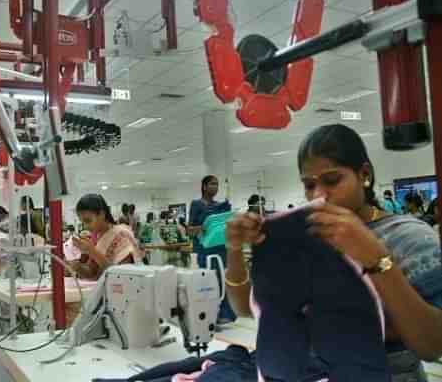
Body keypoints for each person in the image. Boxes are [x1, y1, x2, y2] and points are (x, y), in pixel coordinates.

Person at [225, 124, 442, 379]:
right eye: (309, 184)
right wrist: (235, 250)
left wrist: (376, 259)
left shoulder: (410, 237)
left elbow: (431, 346)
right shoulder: (305, 238)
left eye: (332, 180)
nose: (319, 195)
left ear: (364, 174)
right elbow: (246, 310)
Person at [188, 175, 236, 324]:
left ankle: (225, 314)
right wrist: (202, 228)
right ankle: (210, 314)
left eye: (217, 184)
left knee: (223, 279)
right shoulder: (196, 204)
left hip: (220, 248)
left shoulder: (219, 205)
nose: (215, 187)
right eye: (212, 184)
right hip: (204, 250)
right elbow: (189, 230)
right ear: (204, 186)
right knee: (208, 282)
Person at [70, 194, 144, 280]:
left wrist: (92, 251)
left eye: (88, 221)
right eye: (82, 222)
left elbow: (122, 275)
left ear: (102, 214)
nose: (85, 226)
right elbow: (91, 272)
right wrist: (74, 265)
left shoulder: (122, 235)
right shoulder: (96, 237)